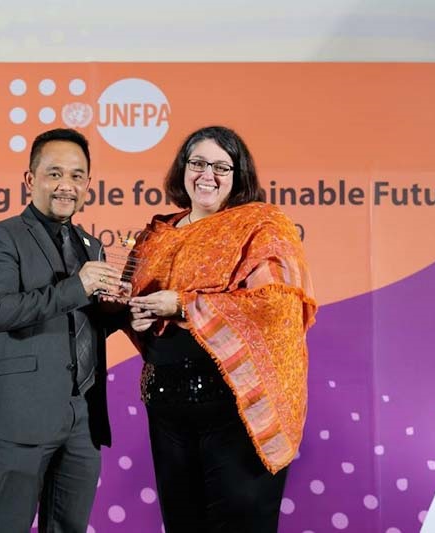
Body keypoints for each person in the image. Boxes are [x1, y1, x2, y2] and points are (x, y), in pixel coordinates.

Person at [126, 126, 317, 533]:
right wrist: (139, 316)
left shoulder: (263, 225)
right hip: (167, 406)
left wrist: (183, 304)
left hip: (236, 406)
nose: (207, 175)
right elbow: (137, 301)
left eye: (221, 167)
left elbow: (275, 305)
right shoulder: (157, 235)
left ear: (238, 175)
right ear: (182, 169)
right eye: (197, 163)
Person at [0, 128, 126, 533]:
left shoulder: (91, 246)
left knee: (69, 526)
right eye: (54, 174)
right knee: (9, 525)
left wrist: (126, 314)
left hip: (84, 416)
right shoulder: (1, 236)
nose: (66, 186)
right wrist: (78, 286)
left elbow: (83, 323)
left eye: (77, 176)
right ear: (31, 179)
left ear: (88, 184)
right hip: (24, 411)